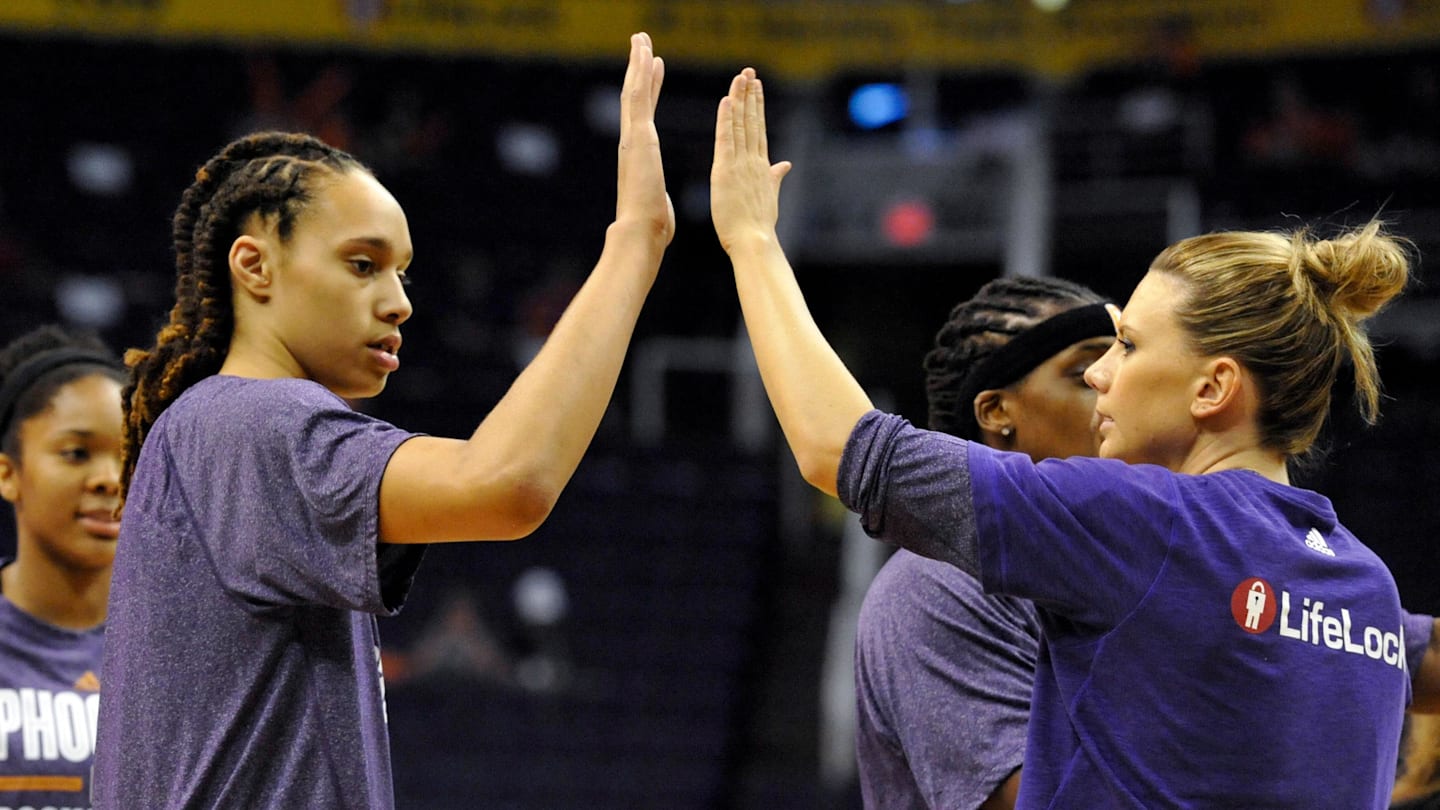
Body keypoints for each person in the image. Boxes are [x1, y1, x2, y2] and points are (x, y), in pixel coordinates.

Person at [711, 67, 1424, 807]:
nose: (1102, 375)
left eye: (1127, 347)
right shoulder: (1367, 588)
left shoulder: (1141, 519)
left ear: (1212, 388)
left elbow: (840, 449)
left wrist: (753, 241)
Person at [92, 32, 672, 808]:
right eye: (362, 265)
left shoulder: (202, 428)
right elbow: (508, 483)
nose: (398, 302)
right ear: (255, 265)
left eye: (402, 273)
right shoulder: (258, 421)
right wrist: (634, 245)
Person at [854, 277, 1114, 810]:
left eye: (1125, 363)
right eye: (1085, 373)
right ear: (997, 412)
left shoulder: (1131, 554)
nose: (1116, 389)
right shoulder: (935, 585)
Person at [0, 325, 124, 808]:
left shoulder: (184, 648)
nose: (110, 480)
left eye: (129, 455)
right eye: (77, 453)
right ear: (8, 473)